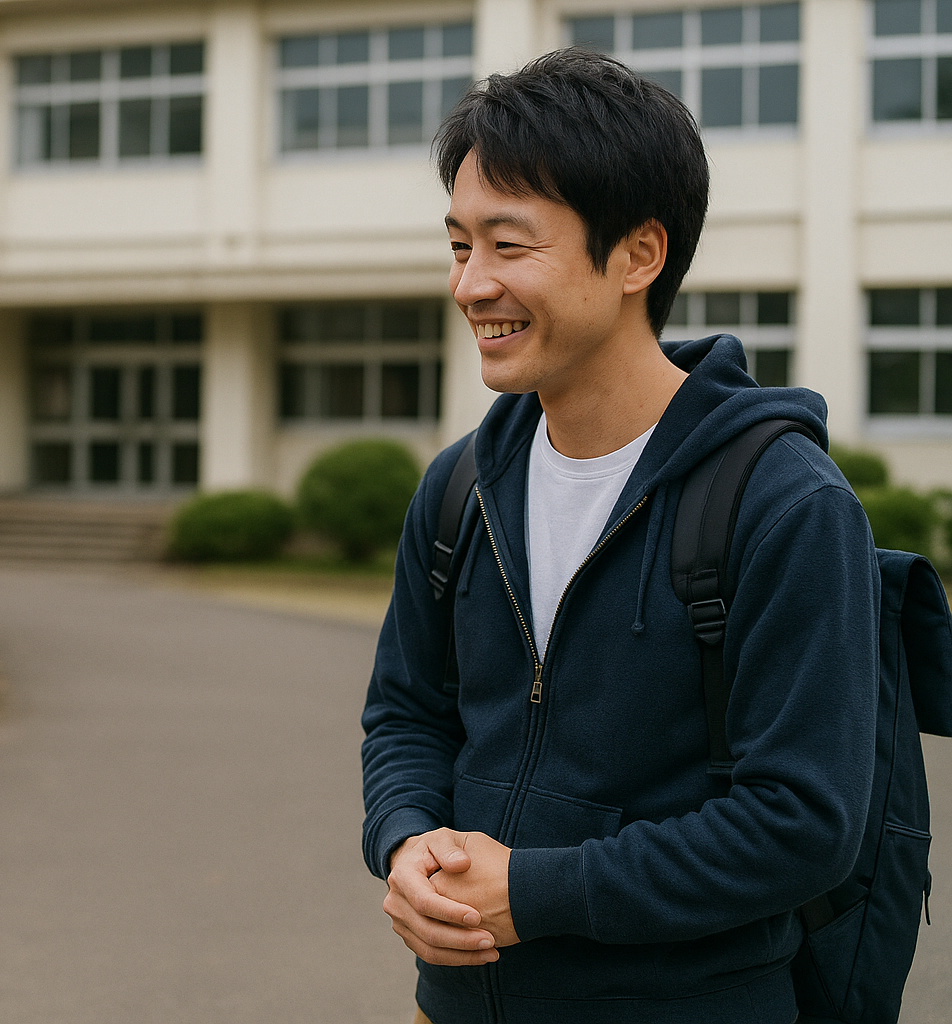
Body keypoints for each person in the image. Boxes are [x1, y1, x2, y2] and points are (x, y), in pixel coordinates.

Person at [360, 50, 877, 1024]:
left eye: (509, 246)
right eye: (460, 244)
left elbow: (804, 824)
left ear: (640, 254)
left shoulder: (785, 504)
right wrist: (406, 839)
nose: (471, 285)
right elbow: (407, 714)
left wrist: (536, 891)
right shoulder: (459, 487)